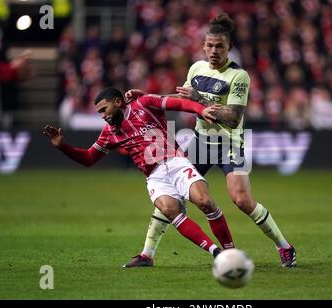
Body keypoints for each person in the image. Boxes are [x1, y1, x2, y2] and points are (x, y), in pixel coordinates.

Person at [125, 13, 297, 268]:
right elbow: (183, 98)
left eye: (220, 46)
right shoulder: (196, 68)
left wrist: (201, 99)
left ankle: (284, 246)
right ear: (203, 46)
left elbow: (233, 118)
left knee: (242, 200)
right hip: (200, 143)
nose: (214, 51)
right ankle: (147, 254)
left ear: (229, 47)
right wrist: (147, 98)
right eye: (210, 45)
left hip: (229, 145)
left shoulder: (239, 77)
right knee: (171, 195)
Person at [42, 87, 235, 264]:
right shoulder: (109, 133)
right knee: (169, 209)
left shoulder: (144, 103)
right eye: (99, 113)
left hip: (175, 162)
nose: (103, 116)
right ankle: (217, 253)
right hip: (155, 177)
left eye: (104, 110)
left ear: (118, 102)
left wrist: (200, 110)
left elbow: (180, 103)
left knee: (205, 202)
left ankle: (230, 250)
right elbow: (89, 158)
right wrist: (63, 147)